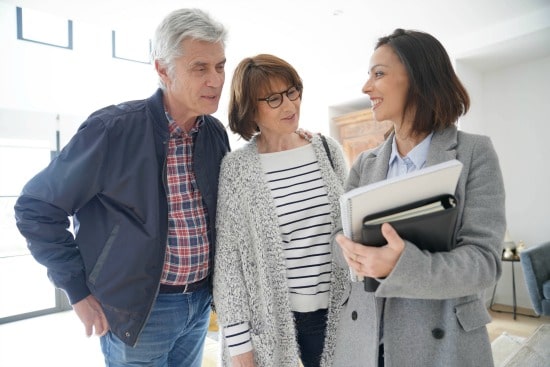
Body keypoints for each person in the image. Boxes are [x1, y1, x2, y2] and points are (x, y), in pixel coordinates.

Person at [14, 8, 230, 367]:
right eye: (200, 68)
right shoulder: (112, 130)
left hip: (199, 305)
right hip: (141, 312)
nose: (216, 80)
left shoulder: (214, 133)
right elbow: (35, 210)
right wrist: (77, 291)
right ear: (162, 69)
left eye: (220, 66)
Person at [331, 29, 506, 367]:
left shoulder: (474, 153)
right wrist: (357, 257)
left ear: (418, 78)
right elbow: (337, 243)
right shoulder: (365, 163)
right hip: (365, 344)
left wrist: (400, 265)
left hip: (443, 346)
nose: (367, 87)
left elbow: (483, 264)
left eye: (378, 73)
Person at [212, 54, 348, 367]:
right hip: (274, 328)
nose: (289, 105)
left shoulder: (328, 150)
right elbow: (230, 268)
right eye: (273, 99)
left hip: (341, 316)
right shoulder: (237, 169)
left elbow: (353, 225)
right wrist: (241, 353)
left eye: (292, 92)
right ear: (250, 108)